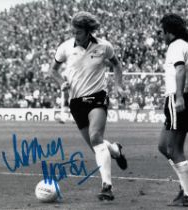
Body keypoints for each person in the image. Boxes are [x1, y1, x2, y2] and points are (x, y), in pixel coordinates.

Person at [49, 11, 128, 201]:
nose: (74, 35)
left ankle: (107, 187)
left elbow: (117, 65)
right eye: (73, 31)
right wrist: (61, 83)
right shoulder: (65, 48)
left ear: (88, 31)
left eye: (78, 32)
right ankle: (115, 150)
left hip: (97, 98)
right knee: (96, 145)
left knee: (95, 137)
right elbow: (52, 70)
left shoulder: (103, 47)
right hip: (76, 102)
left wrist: (118, 85)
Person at [158, 13, 188, 207]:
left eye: (163, 31)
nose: (162, 35)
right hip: (187, 98)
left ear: (169, 32)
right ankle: (186, 187)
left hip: (178, 99)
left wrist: (179, 96)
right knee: (163, 146)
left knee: (174, 149)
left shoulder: (175, 46)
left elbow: (180, 69)